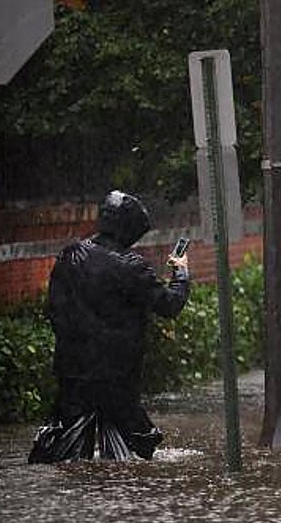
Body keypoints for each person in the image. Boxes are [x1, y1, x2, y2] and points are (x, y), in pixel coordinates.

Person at [28, 191, 190, 463]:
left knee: (64, 449)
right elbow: (169, 305)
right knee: (140, 446)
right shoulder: (131, 266)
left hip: (73, 374)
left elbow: (55, 311)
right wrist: (181, 272)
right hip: (116, 379)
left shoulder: (70, 256)